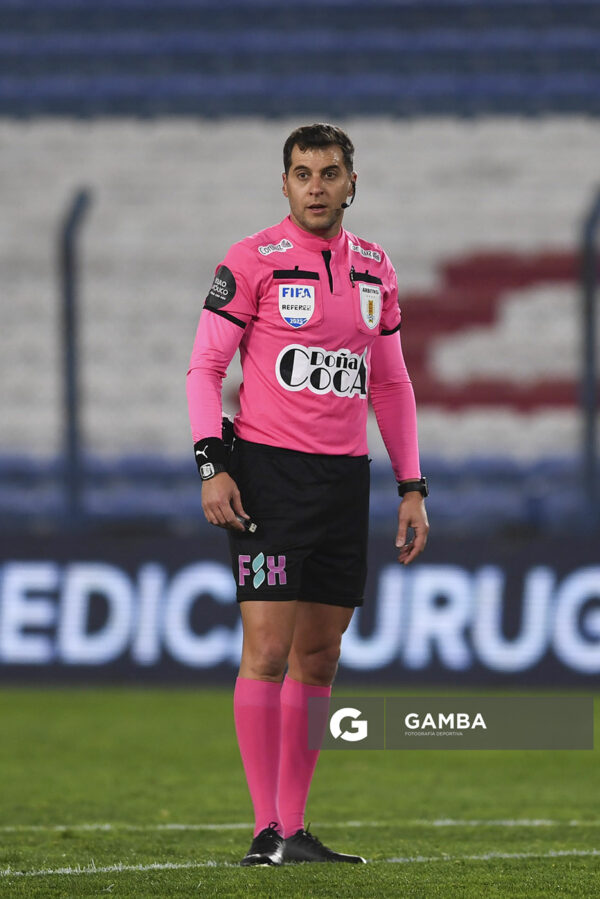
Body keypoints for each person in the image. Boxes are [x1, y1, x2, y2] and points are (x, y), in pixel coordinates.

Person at [186, 123, 429, 866]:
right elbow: (204, 369)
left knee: (320, 658)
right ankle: (264, 830)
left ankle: (295, 828)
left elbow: (389, 381)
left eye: (330, 173)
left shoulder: (375, 269)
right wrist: (211, 463)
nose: (317, 186)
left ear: (353, 182)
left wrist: (410, 485)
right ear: (284, 184)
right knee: (266, 650)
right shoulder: (251, 261)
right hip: (268, 475)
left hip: (342, 479)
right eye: (303, 173)